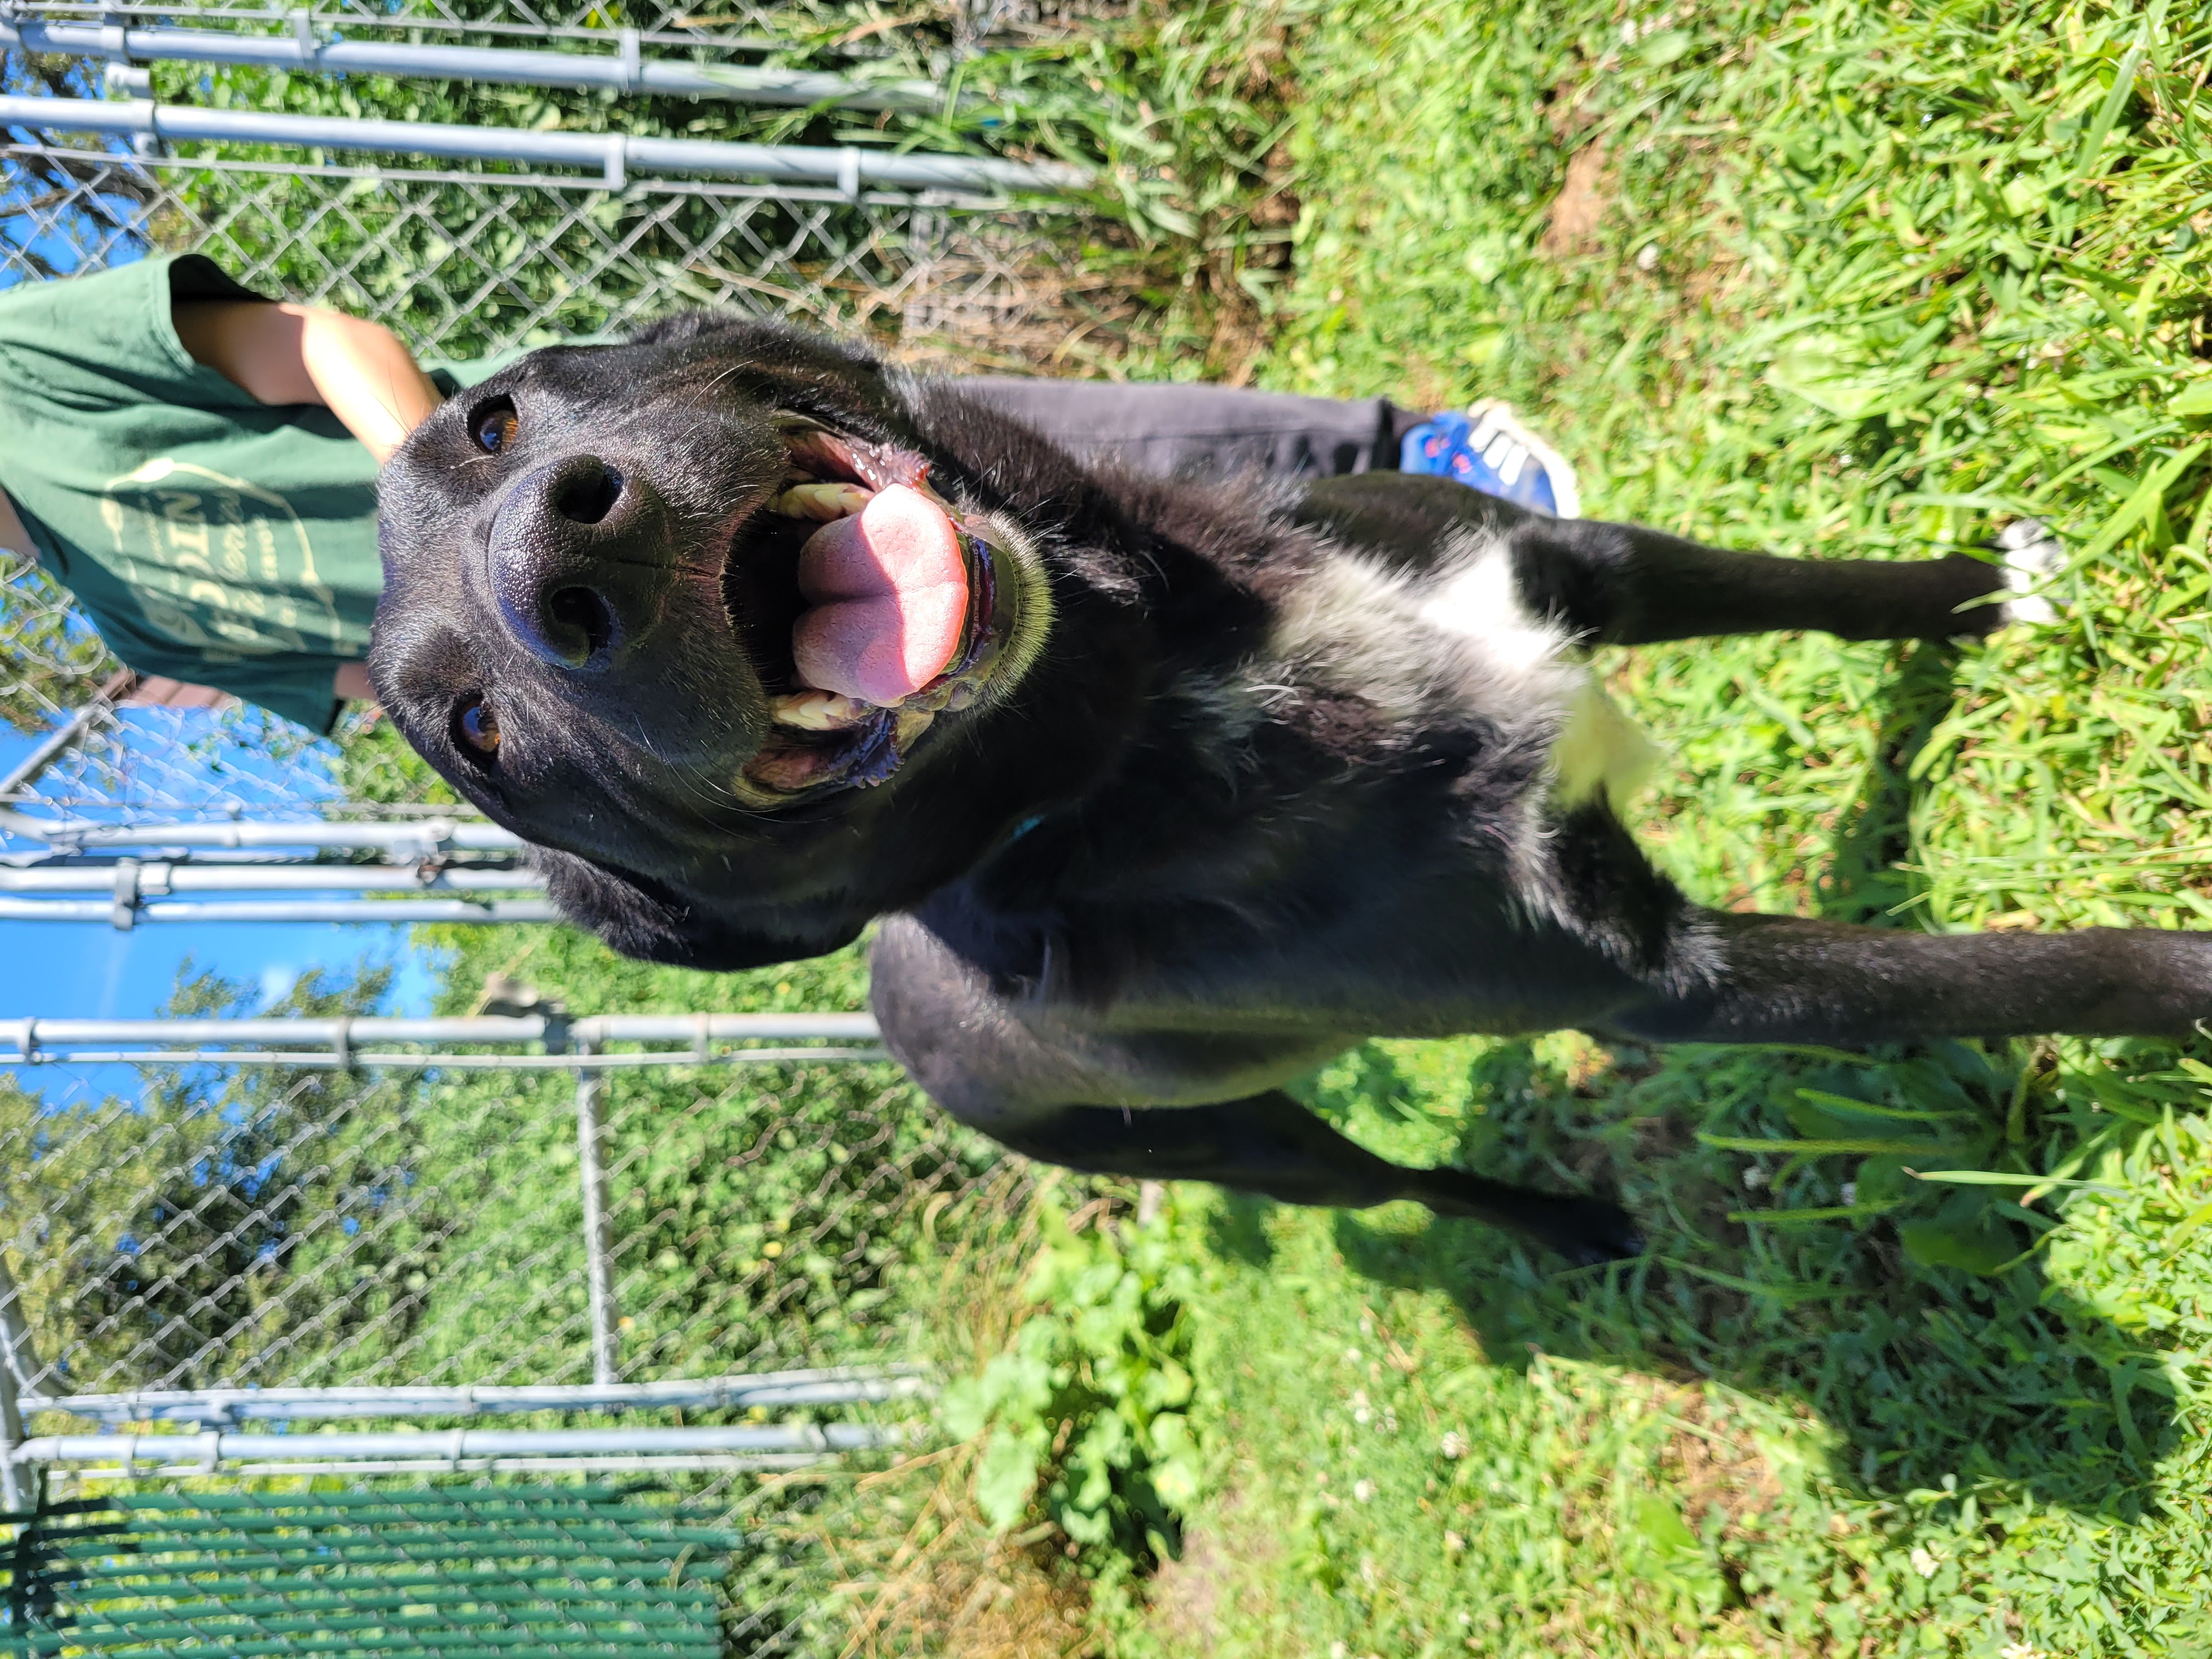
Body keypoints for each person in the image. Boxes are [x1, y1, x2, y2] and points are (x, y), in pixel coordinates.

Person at [0, 255, 1581, 730]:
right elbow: (373, 687)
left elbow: (321, 346)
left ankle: (1407, 454)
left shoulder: (21, 370)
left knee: (1007, 464)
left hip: (585, 479)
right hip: (619, 664)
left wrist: (467, 516)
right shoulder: (124, 610)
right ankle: (1370, 652)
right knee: (1001, 634)